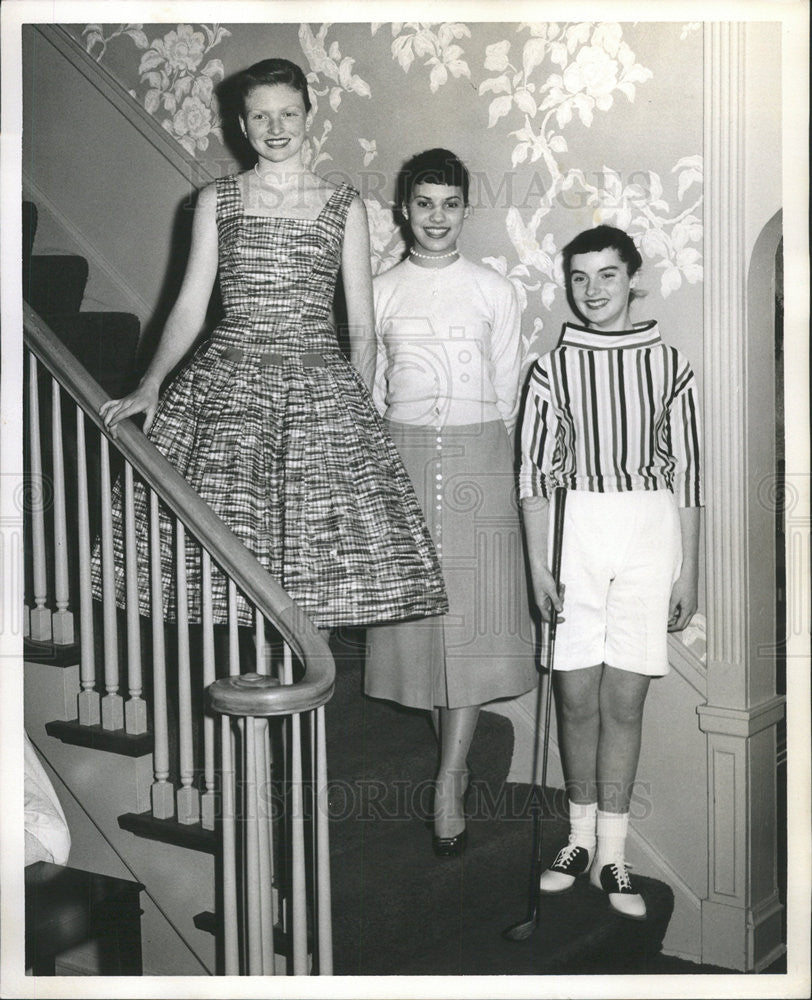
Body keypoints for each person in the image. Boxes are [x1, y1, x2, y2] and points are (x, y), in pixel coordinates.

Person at [96, 58, 447, 632]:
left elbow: (361, 327)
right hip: (228, 392)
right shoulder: (217, 200)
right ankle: (249, 701)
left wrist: (356, 418)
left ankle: (296, 703)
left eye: (288, 113)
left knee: (317, 571)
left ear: (310, 116)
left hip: (318, 395)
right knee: (221, 570)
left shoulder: (343, 207)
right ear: (241, 123)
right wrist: (151, 381)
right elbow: (189, 305)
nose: (275, 127)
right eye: (260, 115)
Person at [518, 224, 703, 919]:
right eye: (579, 278)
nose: (592, 291)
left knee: (625, 702)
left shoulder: (671, 364)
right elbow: (533, 479)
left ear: (632, 278)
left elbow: (687, 475)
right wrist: (538, 567)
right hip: (576, 531)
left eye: (606, 275)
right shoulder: (550, 369)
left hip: (650, 531)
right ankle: (575, 839)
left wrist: (690, 573)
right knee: (575, 699)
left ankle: (613, 858)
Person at [366, 149, 537, 857]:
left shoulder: (494, 290)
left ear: (466, 209)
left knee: (465, 623)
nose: (437, 217)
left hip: (477, 450)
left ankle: (449, 778)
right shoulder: (378, 289)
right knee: (420, 622)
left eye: (450, 204)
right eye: (424, 203)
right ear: (405, 208)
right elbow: (370, 388)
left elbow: (504, 387)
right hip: (401, 452)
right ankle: (451, 767)